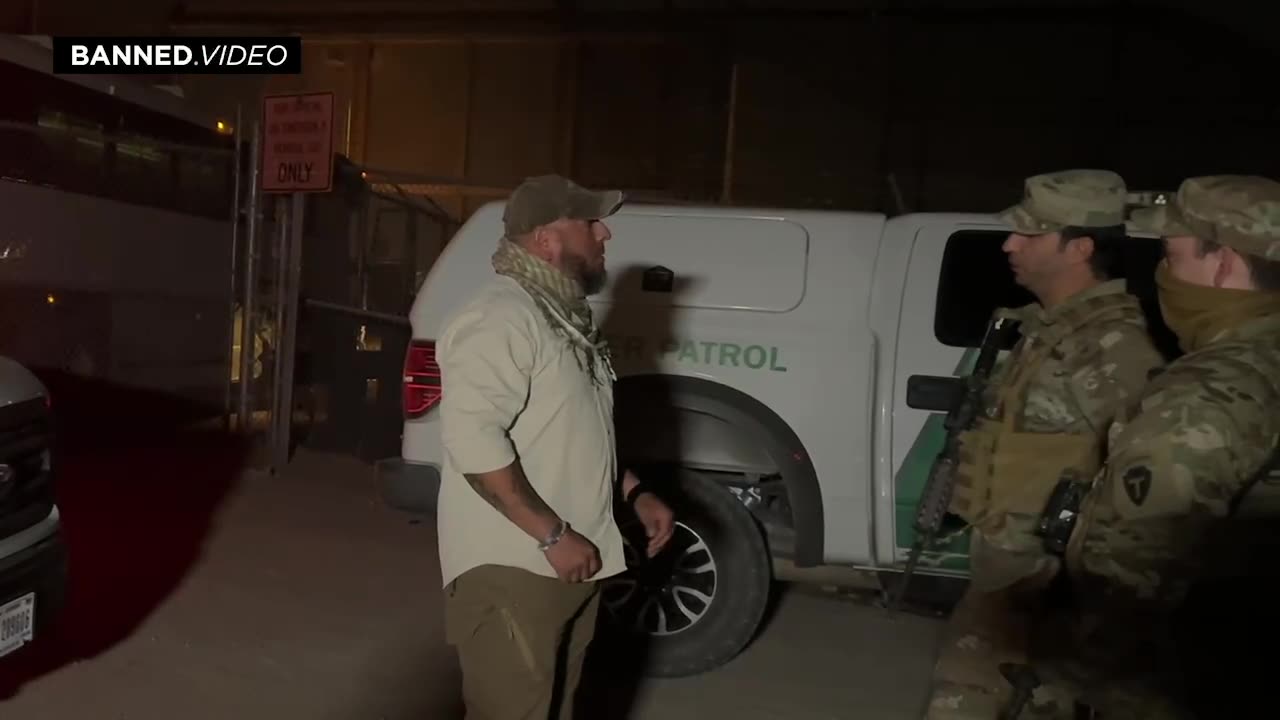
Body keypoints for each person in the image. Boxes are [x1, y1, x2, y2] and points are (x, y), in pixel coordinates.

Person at [1024, 174, 1280, 719]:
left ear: (1226, 263)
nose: (1164, 273)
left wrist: (1056, 673)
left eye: (1172, 253)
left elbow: (1128, 579)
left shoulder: (1209, 392)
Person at [923, 169, 1166, 719]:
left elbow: (1147, 472)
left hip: (1046, 582)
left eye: (1030, 234)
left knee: (963, 698)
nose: (1010, 244)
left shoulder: (1109, 343)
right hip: (1013, 574)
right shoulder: (1046, 327)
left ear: (1079, 246)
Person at [435, 174, 676, 720]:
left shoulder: (563, 317)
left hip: (570, 562)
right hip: (516, 566)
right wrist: (552, 535)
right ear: (547, 239)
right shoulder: (500, 314)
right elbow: (473, 441)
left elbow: (573, 430)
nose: (605, 233)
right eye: (590, 223)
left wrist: (634, 493)